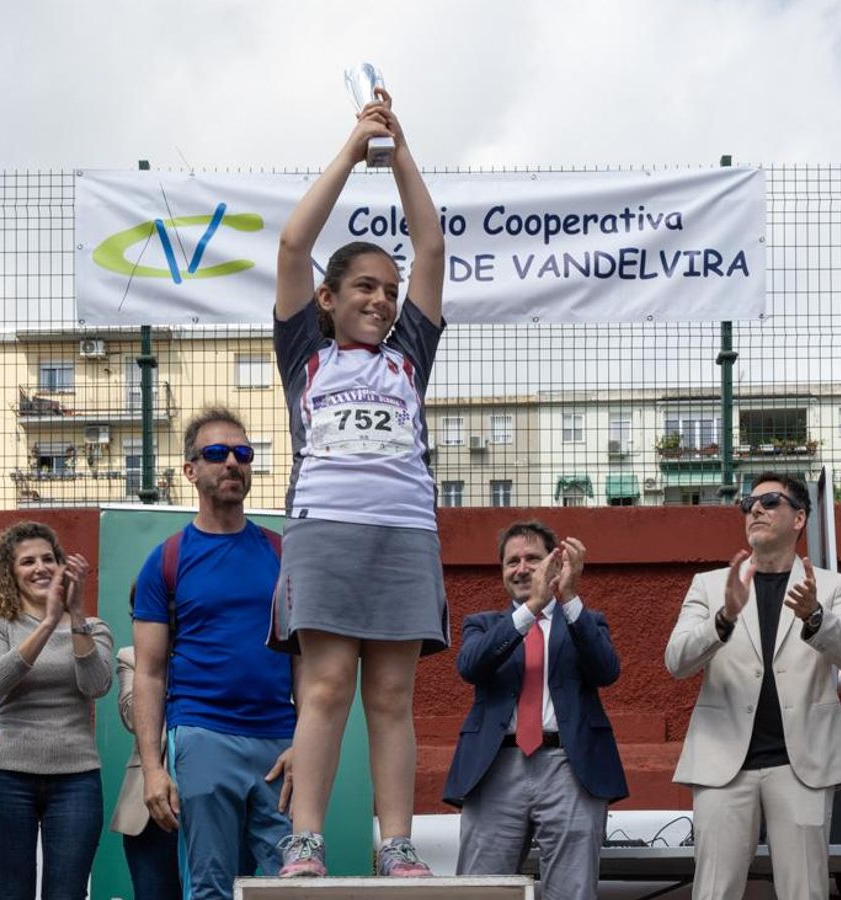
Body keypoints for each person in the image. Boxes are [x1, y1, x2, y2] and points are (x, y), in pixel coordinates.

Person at [267, 86, 447, 878]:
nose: (380, 297)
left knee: (392, 697)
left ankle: (396, 841)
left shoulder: (409, 355)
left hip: (406, 531)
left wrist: (399, 146)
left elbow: (433, 245)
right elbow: (291, 244)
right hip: (325, 528)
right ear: (328, 299)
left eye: (389, 288)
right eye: (363, 287)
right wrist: (353, 148)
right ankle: (304, 838)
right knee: (329, 684)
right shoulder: (306, 353)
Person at [664, 472, 841, 900]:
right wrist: (723, 617)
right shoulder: (711, 585)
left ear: (799, 518)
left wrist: (816, 616)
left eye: (769, 501)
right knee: (714, 893)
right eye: (747, 504)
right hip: (723, 765)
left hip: (803, 764)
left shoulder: (831, 586)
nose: (754, 509)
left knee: (805, 892)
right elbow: (677, 660)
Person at [133, 407, 296, 900]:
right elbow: (148, 673)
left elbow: (308, 659)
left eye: (242, 453)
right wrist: (153, 769)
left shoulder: (283, 554)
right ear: (190, 470)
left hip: (280, 743)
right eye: (216, 453)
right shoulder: (166, 559)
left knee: (288, 883)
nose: (232, 462)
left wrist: (304, 741)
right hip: (202, 734)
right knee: (210, 888)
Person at [444, 521, 627, 899]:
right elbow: (470, 666)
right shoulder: (483, 624)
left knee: (572, 890)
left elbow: (606, 670)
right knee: (482, 889)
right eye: (512, 561)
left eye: (533, 559)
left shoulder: (585, 621)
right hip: (496, 767)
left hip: (569, 766)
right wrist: (531, 609)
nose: (522, 568)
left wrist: (569, 597)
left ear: (555, 564)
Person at [0, 521, 114, 900]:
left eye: (48, 559)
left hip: (76, 778)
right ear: (10, 572)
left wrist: (74, 615)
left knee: (67, 894)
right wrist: (49, 622)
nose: (40, 568)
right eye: (27, 561)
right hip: (6, 775)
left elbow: (96, 685)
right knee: (8, 892)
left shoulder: (93, 627)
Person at [110, 645, 181, 900]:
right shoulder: (130, 655)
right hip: (151, 810)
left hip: (211, 798)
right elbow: (131, 717)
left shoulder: (219, 650)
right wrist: (156, 667)